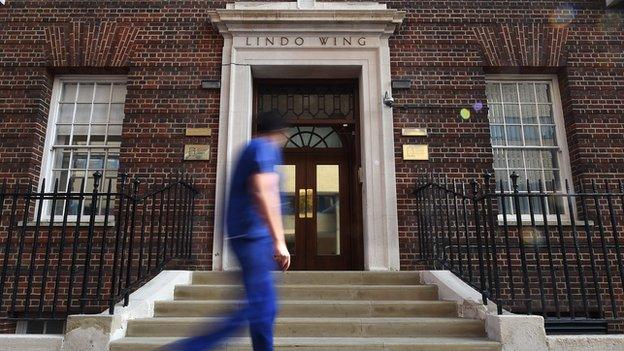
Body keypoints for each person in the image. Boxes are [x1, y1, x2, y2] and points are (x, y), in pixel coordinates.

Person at [160, 110, 291, 351]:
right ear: (279, 132)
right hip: (253, 237)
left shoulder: (254, 148)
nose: (285, 139)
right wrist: (279, 241)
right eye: (285, 134)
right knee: (257, 306)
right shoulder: (264, 147)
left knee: (265, 307)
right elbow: (264, 191)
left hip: (250, 236)